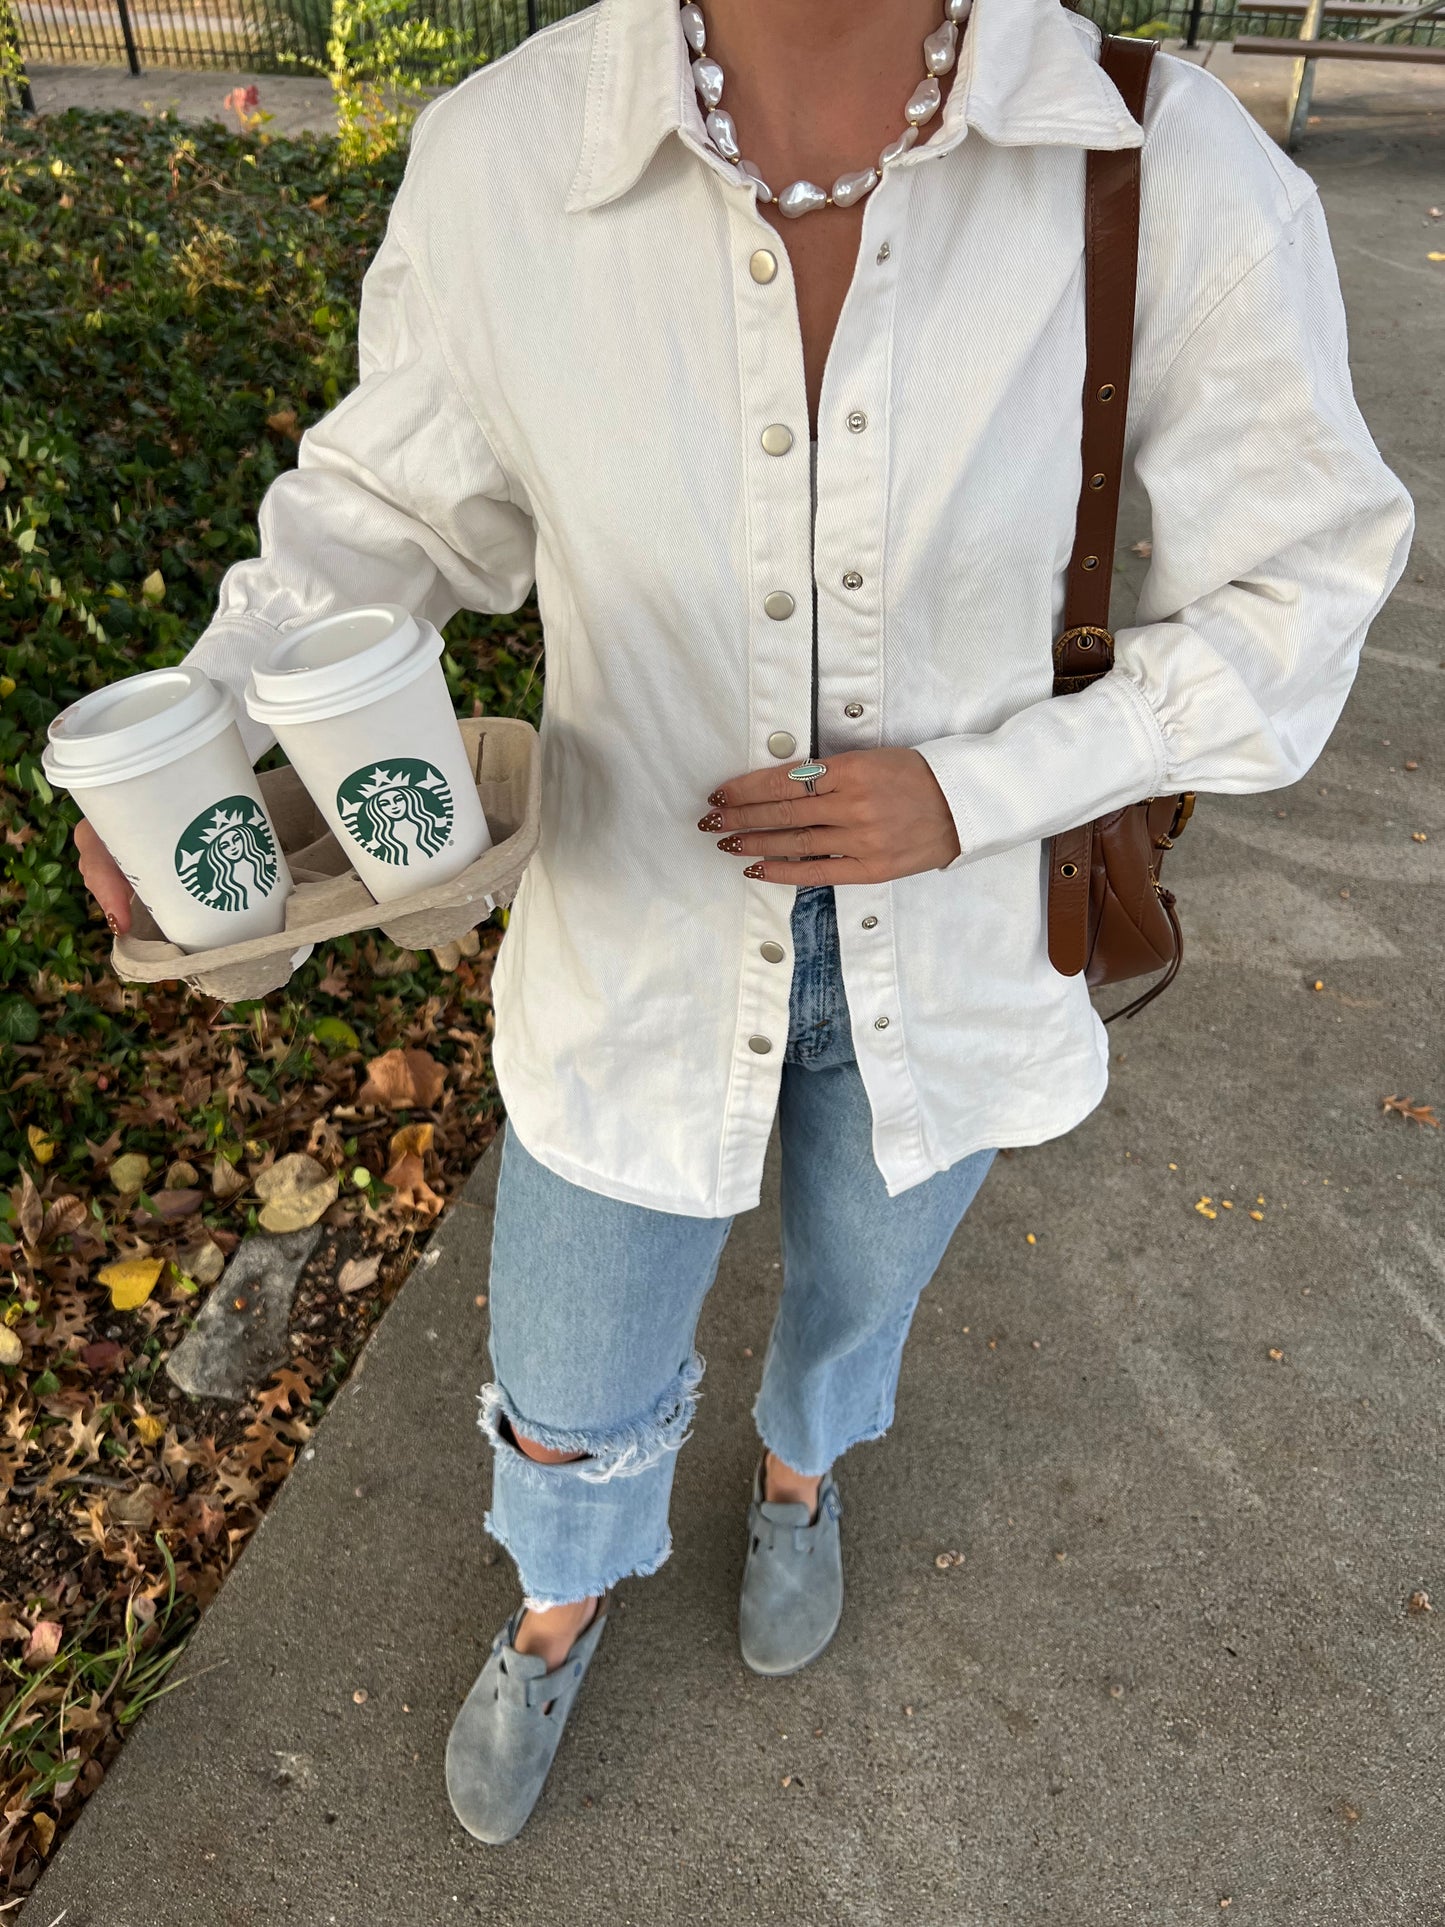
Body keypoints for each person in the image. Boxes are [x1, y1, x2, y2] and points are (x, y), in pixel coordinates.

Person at [74, 0, 1414, 1847]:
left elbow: (1305, 582)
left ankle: (796, 1473)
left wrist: (982, 787)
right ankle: (558, 1598)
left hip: (954, 955)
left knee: (865, 1282)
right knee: (568, 1348)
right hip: (631, 933)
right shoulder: (511, 157)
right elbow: (378, 516)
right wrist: (202, 742)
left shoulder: (1162, 167)